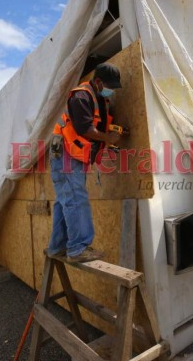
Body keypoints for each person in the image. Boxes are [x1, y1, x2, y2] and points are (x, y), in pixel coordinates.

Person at [47, 63, 122, 263]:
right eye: (110, 86)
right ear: (98, 82)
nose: (111, 91)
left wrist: (112, 135)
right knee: (75, 198)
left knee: (65, 200)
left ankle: (57, 247)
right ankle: (78, 249)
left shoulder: (97, 99)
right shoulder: (81, 96)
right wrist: (108, 138)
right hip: (65, 154)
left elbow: (97, 127)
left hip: (68, 154)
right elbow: (84, 129)